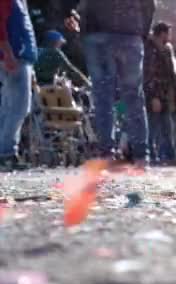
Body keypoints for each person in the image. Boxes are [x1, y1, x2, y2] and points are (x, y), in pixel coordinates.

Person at [64, 0, 156, 163]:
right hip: (129, 32)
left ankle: (107, 152)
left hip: (96, 31)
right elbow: (149, 5)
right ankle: (141, 154)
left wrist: (68, 13)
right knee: (133, 95)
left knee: (102, 96)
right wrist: (142, 32)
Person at [0, 0, 37, 171]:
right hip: (15, 56)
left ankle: (5, 151)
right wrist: (7, 52)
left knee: (8, 107)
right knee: (19, 107)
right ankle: (7, 152)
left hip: (19, 56)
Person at [144, 22, 176, 165]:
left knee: (167, 127)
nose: (170, 37)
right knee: (152, 126)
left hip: (165, 95)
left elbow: (171, 73)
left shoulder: (165, 49)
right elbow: (148, 74)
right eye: (168, 33)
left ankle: (170, 156)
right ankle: (151, 156)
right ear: (163, 34)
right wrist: (153, 96)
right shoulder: (150, 50)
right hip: (154, 94)